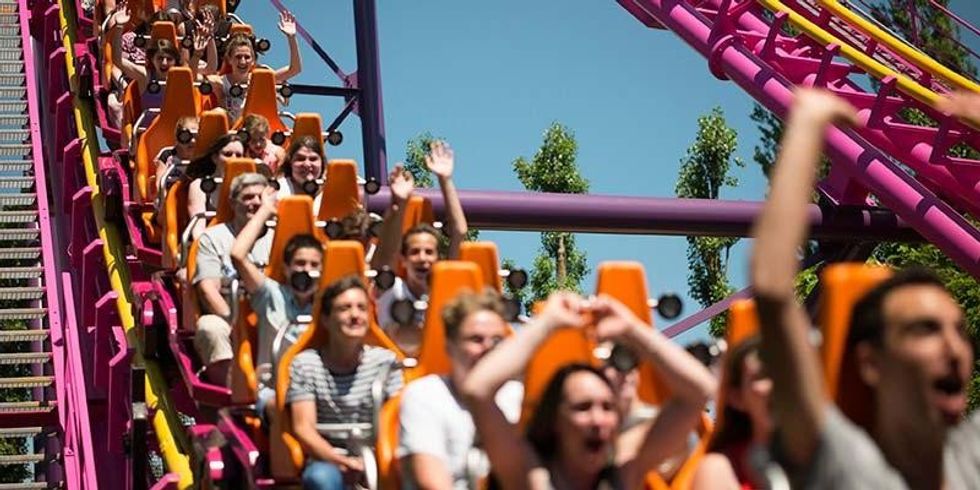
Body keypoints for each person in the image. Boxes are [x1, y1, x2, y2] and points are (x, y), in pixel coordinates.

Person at [749, 88, 978, 489]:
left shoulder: (968, 459)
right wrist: (806, 124)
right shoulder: (842, 459)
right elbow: (772, 291)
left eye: (960, 330)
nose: (953, 347)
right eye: (926, 329)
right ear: (871, 362)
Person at [461, 292, 716, 490]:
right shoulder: (530, 476)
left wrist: (632, 328)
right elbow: (478, 389)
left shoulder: (623, 473)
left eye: (607, 408)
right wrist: (546, 324)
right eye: (582, 407)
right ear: (556, 420)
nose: (597, 420)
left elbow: (699, 391)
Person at [286, 276, 404, 489]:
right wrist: (342, 462)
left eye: (361, 308)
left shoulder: (387, 362)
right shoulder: (306, 364)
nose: (355, 315)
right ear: (326, 319)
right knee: (321, 479)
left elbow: (397, 420)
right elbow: (303, 428)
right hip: (328, 460)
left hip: (379, 454)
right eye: (344, 308)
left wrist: (375, 461)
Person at [398, 290, 523, 489]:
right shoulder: (424, 395)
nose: (488, 348)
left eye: (497, 341)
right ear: (450, 346)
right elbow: (431, 483)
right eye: (476, 339)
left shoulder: (518, 397)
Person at [230, 186, 321, 418]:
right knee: (292, 408)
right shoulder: (271, 294)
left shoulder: (328, 304)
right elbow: (238, 255)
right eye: (300, 264)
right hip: (276, 390)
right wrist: (265, 211)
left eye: (313, 266)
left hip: (321, 390)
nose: (306, 271)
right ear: (287, 269)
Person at [373, 141, 468, 355]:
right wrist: (401, 204)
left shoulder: (443, 291)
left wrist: (445, 179)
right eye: (415, 252)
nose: (422, 258)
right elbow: (386, 254)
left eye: (429, 252)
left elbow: (459, 232)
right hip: (396, 376)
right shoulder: (392, 288)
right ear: (404, 260)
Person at [193, 173, 274, 386]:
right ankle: (233, 389)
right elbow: (207, 288)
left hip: (272, 314)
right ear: (232, 202)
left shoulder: (279, 235)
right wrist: (234, 321)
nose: (255, 203)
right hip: (229, 313)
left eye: (259, 197)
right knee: (210, 328)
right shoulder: (214, 237)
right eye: (247, 197)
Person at [691, 338, 771, 489]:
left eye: (785, 373)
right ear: (737, 398)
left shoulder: (820, 452)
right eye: (762, 375)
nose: (776, 384)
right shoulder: (720, 471)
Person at [206, 10, 301, 122]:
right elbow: (200, 76)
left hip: (254, 128)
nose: (242, 61)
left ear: (253, 61)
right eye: (238, 57)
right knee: (218, 112)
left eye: (247, 57)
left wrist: (292, 37)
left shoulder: (259, 80)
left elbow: (294, 69)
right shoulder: (220, 82)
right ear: (229, 59)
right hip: (232, 132)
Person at [185, 131, 246, 240]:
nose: (234, 159)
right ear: (215, 158)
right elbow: (198, 230)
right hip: (210, 242)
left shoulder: (248, 187)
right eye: (228, 154)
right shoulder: (200, 185)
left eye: (238, 155)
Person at [153, 115, 199, 207]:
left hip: (192, 198)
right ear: (178, 137)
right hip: (167, 197)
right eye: (186, 136)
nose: (193, 141)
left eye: (197, 136)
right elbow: (159, 180)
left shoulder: (201, 158)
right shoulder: (167, 155)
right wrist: (165, 199)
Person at [275, 136, 324, 208]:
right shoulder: (277, 191)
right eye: (300, 159)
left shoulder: (331, 194)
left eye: (313, 159)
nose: (307, 164)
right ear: (290, 163)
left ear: (322, 163)